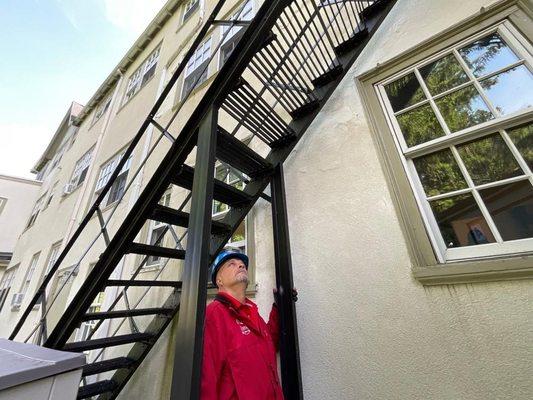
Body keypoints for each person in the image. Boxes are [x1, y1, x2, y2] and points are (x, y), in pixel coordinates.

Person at [200, 248, 284, 400]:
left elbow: (269, 343)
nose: (240, 265)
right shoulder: (214, 315)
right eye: (231, 264)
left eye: (242, 264)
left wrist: (280, 307)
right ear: (219, 280)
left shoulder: (251, 311)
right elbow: (207, 381)